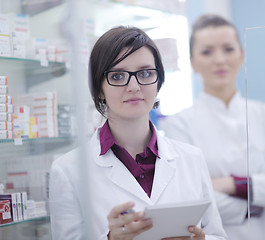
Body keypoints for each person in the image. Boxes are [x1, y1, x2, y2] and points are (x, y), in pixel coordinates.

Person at [48, 26, 228, 240]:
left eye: (145, 73)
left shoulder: (191, 158)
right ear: (98, 89)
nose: (133, 86)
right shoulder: (68, 170)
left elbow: (217, 235)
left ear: (158, 82)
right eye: (117, 76)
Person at [159, 14, 265, 240]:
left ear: (241, 55)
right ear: (192, 62)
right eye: (207, 51)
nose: (219, 59)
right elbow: (190, 204)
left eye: (228, 49)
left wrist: (232, 184)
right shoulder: (178, 127)